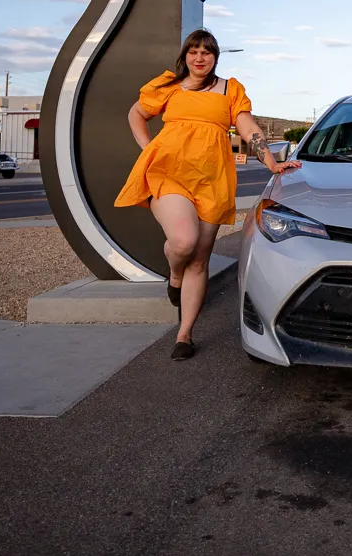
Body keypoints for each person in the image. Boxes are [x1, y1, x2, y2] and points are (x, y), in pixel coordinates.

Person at [114, 28, 300, 359]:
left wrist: (272, 162)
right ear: (185, 56)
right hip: (168, 173)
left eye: (207, 52)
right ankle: (174, 275)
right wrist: (148, 150)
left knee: (199, 258)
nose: (200, 58)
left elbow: (248, 129)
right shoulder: (168, 86)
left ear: (214, 57)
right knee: (184, 242)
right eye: (194, 51)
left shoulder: (230, 89)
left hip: (213, 179)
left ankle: (184, 335)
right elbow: (136, 114)